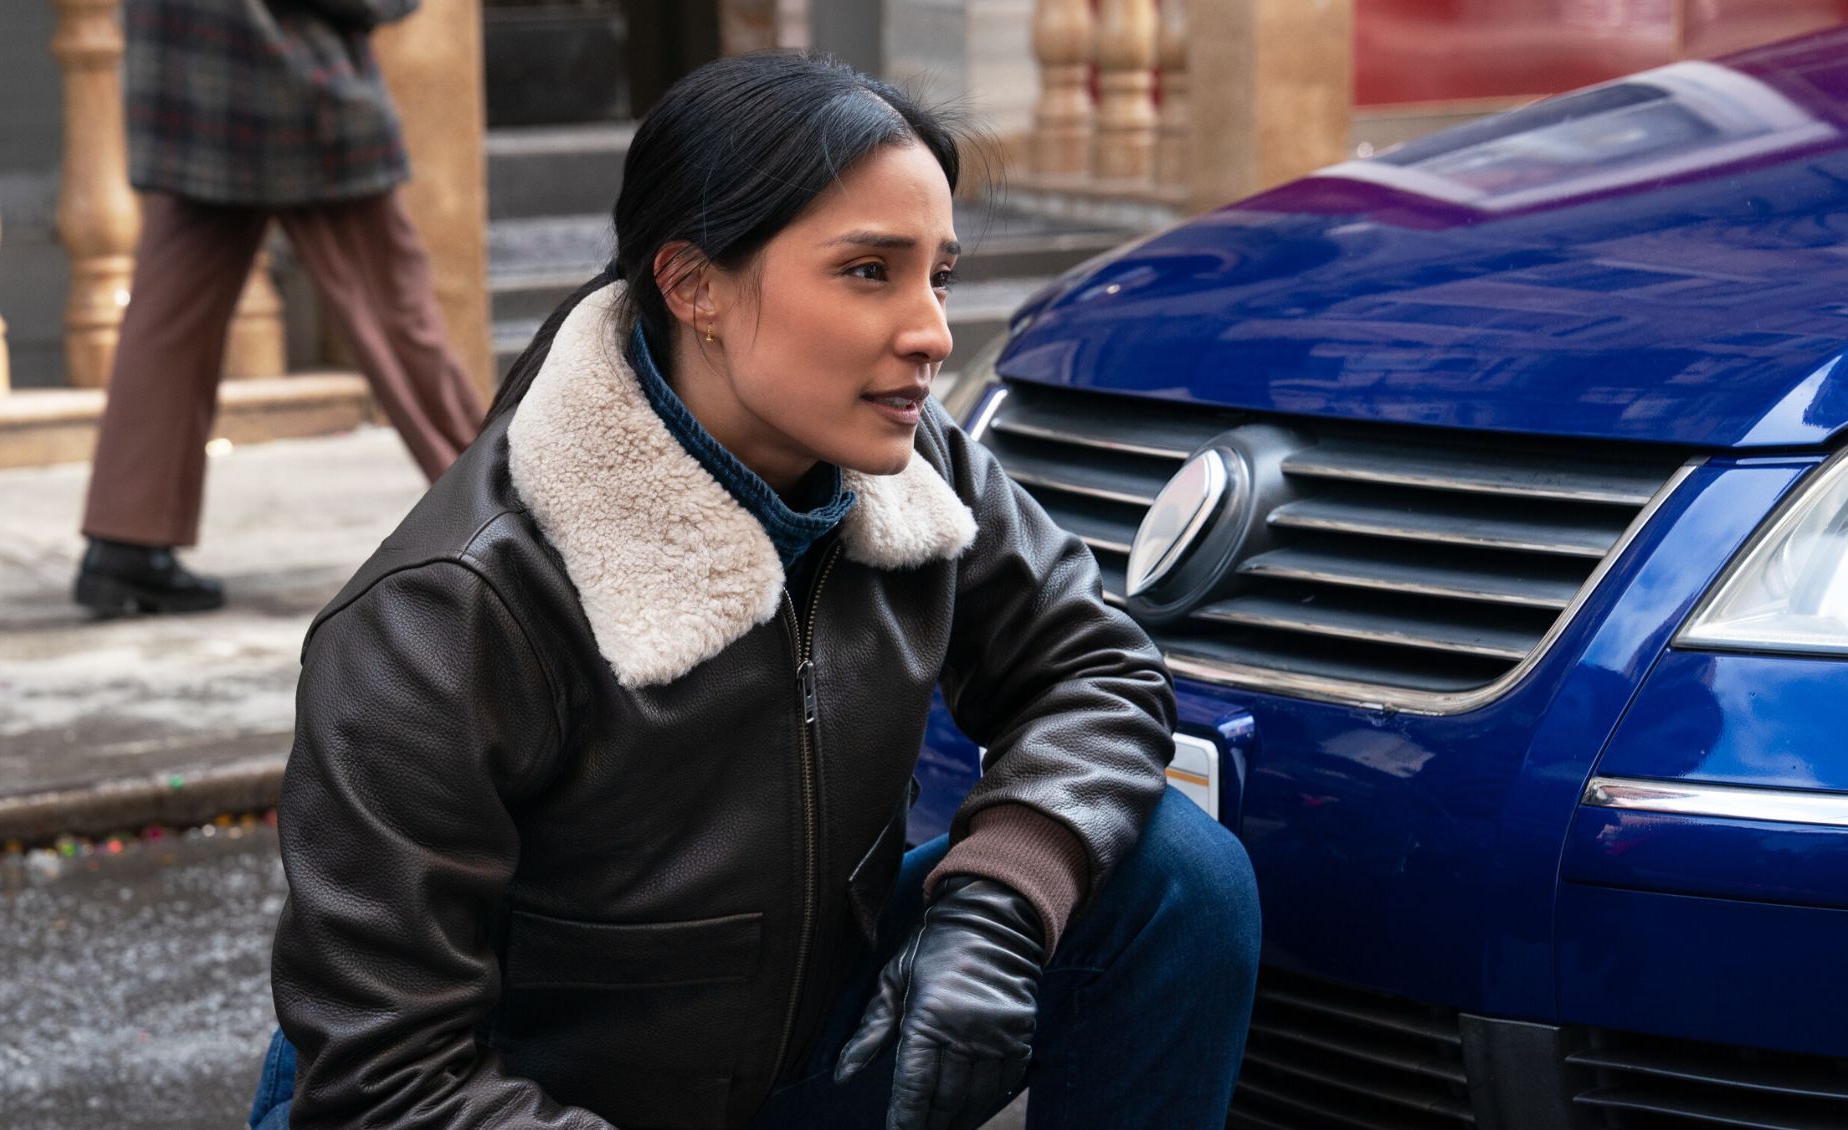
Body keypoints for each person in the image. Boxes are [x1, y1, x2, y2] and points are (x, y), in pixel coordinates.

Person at [254, 54, 1262, 1130]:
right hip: (500, 1109)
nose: (928, 331)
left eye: (939, 275)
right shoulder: (449, 608)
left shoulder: (917, 468)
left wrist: (999, 907)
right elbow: (386, 1083)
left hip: (803, 1058)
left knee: (1176, 875)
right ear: (692, 285)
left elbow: (1093, 667)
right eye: (869, 270)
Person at [71, 0, 486, 617]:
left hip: (185, 72)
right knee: (395, 313)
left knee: (169, 321)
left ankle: (124, 540)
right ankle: (504, 513)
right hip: (290, 72)